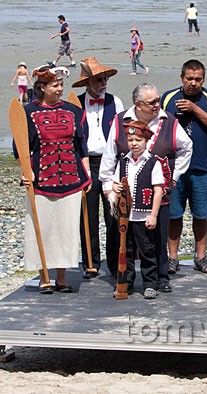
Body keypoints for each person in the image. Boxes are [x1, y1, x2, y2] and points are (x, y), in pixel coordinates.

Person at [99, 83, 192, 293]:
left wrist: (174, 176)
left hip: (159, 191)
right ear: (138, 104)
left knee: (158, 236)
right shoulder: (120, 120)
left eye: (158, 100)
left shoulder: (169, 121)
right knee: (124, 236)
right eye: (152, 102)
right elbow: (109, 153)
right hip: (126, 191)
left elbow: (187, 147)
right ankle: (121, 276)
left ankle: (160, 277)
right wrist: (107, 184)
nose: (158, 104)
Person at [15, 64, 91, 294]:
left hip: (71, 179)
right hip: (40, 181)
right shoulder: (27, 112)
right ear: (42, 87)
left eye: (61, 85)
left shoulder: (73, 110)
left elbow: (81, 145)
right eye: (54, 85)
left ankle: (62, 277)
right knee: (43, 228)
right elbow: (20, 148)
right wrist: (26, 173)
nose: (59, 89)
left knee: (66, 229)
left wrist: (86, 176)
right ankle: (44, 276)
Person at [161, 60, 207, 274]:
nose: (193, 83)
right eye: (189, 79)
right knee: (174, 214)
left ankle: (201, 257)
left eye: (198, 79)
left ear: (203, 80)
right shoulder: (168, 98)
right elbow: (158, 127)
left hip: (202, 166)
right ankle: (173, 258)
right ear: (181, 78)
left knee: (201, 214)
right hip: (173, 167)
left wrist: (195, 109)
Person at [72, 57, 124, 278]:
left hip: (110, 162)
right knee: (88, 214)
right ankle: (90, 264)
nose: (104, 82)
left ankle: (114, 263)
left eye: (105, 78)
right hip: (86, 162)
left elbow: (122, 134)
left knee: (113, 214)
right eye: (99, 79)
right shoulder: (76, 104)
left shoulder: (116, 102)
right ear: (88, 82)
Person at [112, 121, 163, 299]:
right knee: (126, 249)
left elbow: (158, 190)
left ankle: (150, 283)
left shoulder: (153, 162)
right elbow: (116, 183)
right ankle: (126, 282)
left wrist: (153, 215)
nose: (134, 143)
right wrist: (116, 187)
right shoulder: (123, 162)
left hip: (143, 215)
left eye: (138, 140)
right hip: (125, 216)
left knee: (147, 250)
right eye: (131, 139)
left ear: (146, 141)